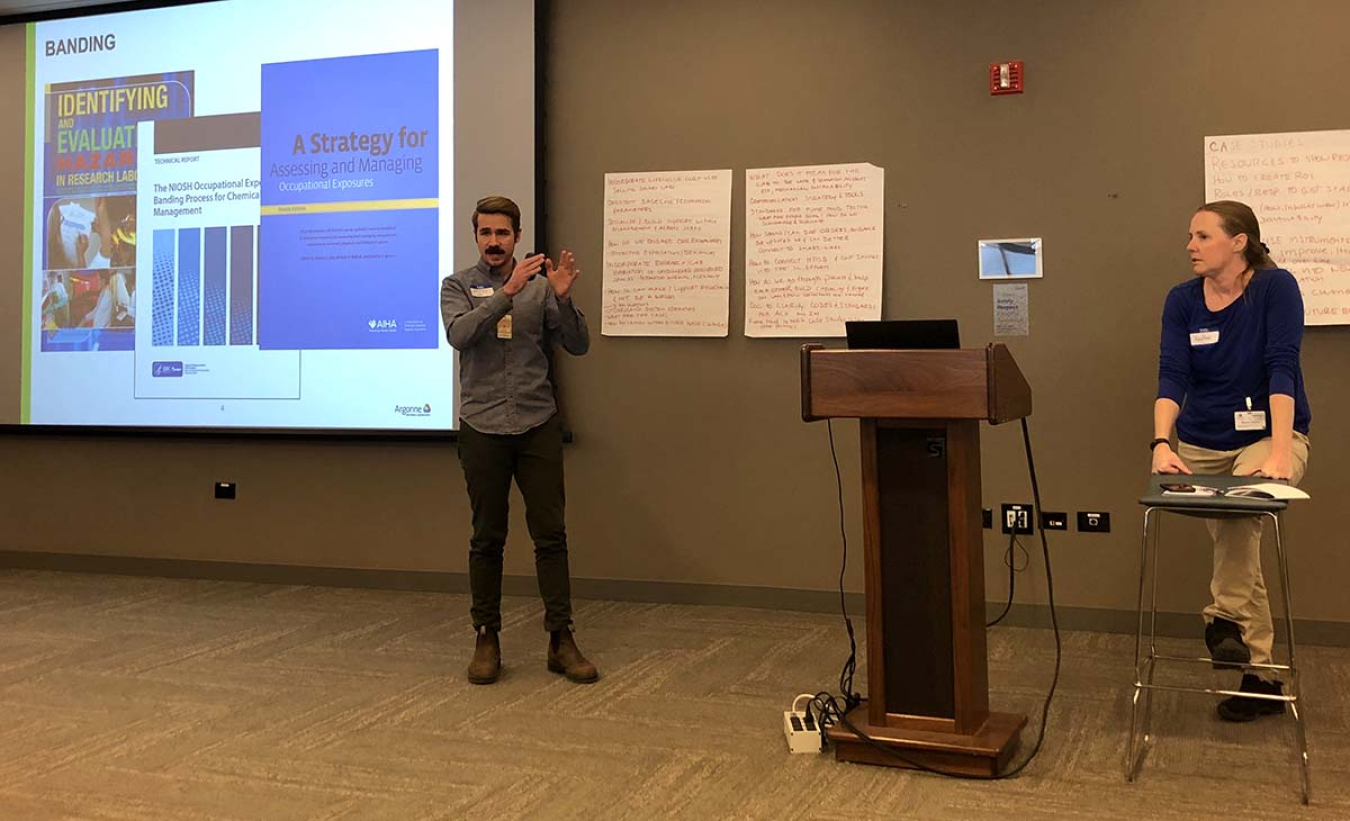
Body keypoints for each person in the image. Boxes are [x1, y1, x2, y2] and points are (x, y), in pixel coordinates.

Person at [1151, 200, 1311, 722]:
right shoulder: (1181, 301)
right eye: (1189, 237)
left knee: (1244, 509)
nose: (1190, 246)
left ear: (1238, 241)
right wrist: (1160, 443)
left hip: (1270, 435)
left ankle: (1222, 620)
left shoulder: (1274, 287)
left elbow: (1282, 367)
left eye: (1201, 236)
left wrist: (1283, 452)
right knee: (1241, 543)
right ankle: (1260, 677)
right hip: (1201, 443)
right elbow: (1172, 375)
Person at [440, 196, 596, 685]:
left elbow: (578, 344)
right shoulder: (457, 286)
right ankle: (486, 637)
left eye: (502, 233)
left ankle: (561, 639)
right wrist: (508, 291)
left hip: (536, 426)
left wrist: (564, 300)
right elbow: (460, 336)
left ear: (517, 237)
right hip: (482, 428)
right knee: (487, 538)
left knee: (551, 536)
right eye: (485, 233)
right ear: (476, 237)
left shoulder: (543, 289)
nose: (493, 241)